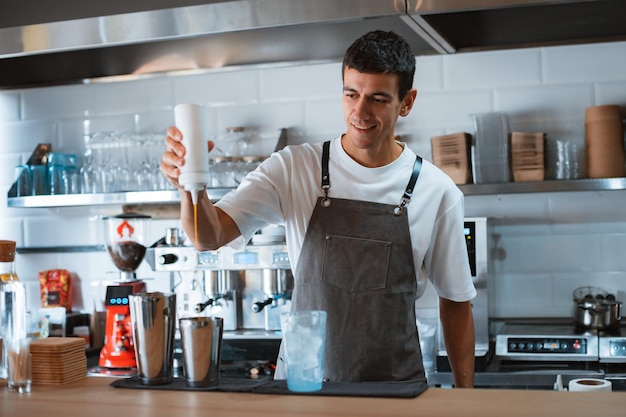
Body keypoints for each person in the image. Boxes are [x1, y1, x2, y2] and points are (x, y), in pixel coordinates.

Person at [161, 30, 476, 388]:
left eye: (377, 99)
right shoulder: (295, 167)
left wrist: (467, 398)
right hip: (302, 389)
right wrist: (190, 186)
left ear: (407, 102)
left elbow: (456, 303)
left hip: (394, 394)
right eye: (351, 94)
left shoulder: (436, 192)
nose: (359, 112)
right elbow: (207, 236)